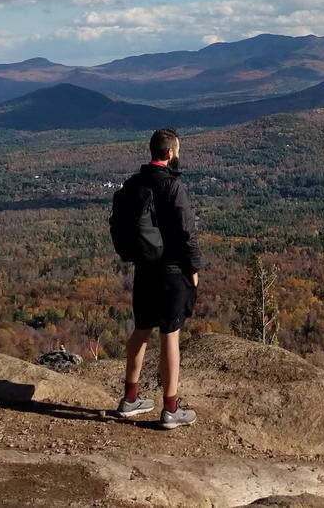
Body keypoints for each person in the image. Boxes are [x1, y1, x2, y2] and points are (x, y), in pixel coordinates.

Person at [115, 127, 201, 429]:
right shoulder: (172, 186)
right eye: (176, 150)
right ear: (169, 153)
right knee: (170, 335)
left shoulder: (135, 184)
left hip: (144, 269)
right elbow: (186, 231)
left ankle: (129, 399)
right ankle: (170, 409)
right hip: (171, 271)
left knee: (141, 330)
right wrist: (194, 268)